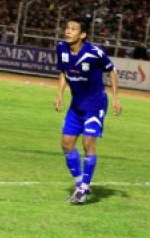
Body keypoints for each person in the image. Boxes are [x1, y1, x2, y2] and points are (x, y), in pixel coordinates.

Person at [54, 16, 122, 204]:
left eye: (73, 29)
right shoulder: (61, 48)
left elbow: (112, 71)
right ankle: (80, 183)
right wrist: (59, 93)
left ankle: (83, 190)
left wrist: (116, 98)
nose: (68, 31)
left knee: (88, 143)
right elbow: (63, 72)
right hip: (76, 105)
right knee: (66, 144)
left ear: (83, 34)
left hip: (95, 104)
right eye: (67, 28)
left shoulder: (95, 52)